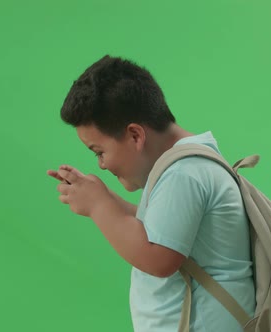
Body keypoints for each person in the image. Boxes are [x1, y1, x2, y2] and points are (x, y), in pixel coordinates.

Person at [47, 55, 255, 332]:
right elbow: (160, 229)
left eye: (100, 152)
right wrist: (104, 198)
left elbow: (158, 258)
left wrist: (99, 207)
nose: (102, 164)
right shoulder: (181, 166)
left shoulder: (184, 173)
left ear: (135, 135)